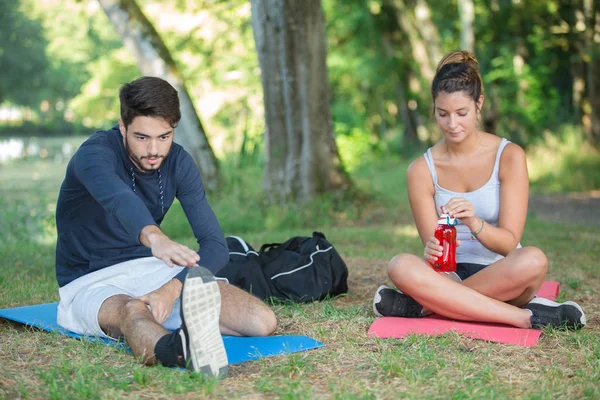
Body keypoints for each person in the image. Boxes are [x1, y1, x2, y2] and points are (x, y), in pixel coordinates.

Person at [55, 76, 277, 377]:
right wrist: (155, 238)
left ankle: (179, 323)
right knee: (132, 310)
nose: (154, 150)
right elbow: (120, 200)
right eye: (142, 137)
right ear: (123, 126)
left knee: (261, 322)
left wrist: (170, 290)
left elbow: (214, 245)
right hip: (90, 279)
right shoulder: (93, 156)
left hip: (151, 270)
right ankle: (178, 349)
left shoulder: (179, 163)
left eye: (164, 136)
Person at [372, 51, 586, 330]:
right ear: (433, 109)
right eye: (442, 114)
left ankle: (426, 305)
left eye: (461, 113)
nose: (452, 124)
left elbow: (509, 243)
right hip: (448, 277)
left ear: (479, 104)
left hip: (504, 272)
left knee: (534, 260)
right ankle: (523, 318)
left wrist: (474, 222)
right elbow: (436, 257)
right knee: (400, 265)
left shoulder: (509, 156)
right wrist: (432, 249)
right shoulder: (421, 170)